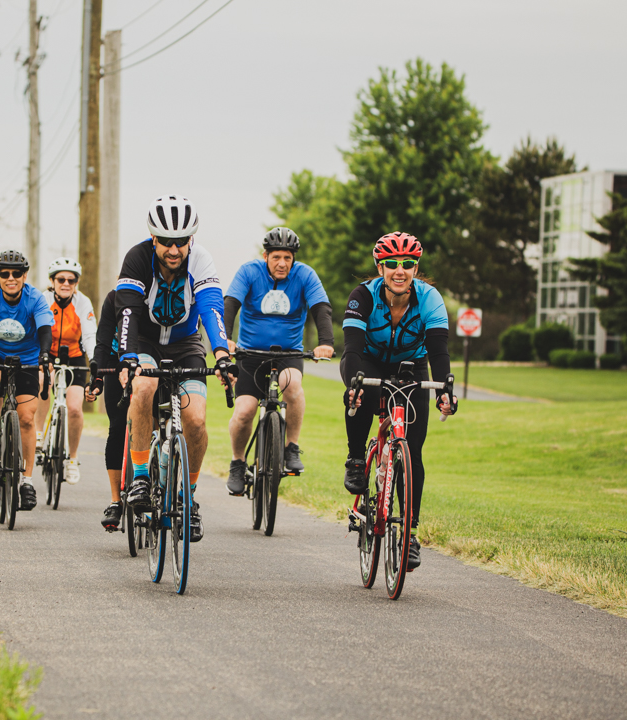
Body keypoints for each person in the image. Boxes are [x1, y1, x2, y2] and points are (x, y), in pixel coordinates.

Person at [116, 195, 235, 543]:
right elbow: (128, 311)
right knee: (144, 389)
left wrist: (222, 353)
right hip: (146, 343)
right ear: (154, 239)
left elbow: (213, 309)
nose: (173, 249)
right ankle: (140, 477)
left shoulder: (201, 260)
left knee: (196, 420)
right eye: (166, 241)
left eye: (180, 241)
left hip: (186, 345)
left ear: (190, 240)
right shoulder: (138, 259)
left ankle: (188, 500)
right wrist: (127, 356)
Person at [341, 232, 458, 570]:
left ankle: (409, 534)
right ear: (380, 267)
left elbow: (439, 352)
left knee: (412, 451)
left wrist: (444, 392)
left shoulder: (430, 298)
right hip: (367, 362)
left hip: (412, 366)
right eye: (391, 264)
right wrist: (353, 383)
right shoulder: (362, 296)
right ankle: (355, 459)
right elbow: (351, 349)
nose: (399, 270)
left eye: (407, 265)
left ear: (415, 268)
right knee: (362, 392)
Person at [222, 227, 335, 495]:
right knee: (244, 411)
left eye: (287, 257)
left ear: (293, 258)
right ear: (265, 256)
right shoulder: (249, 272)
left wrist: (326, 342)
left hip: (288, 354)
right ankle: (238, 463)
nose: (282, 263)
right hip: (251, 355)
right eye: (276, 257)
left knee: (293, 387)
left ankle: (291, 447)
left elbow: (321, 307)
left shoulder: (305, 275)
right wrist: (224, 339)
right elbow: (230, 304)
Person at [0, 250, 55, 511]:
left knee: (27, 418)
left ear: (24, 275)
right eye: (5, 274)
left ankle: (27, 481)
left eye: (16, 273)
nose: (11, 278)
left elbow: (44, 330)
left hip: (26, 358)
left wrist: (44, 355)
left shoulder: (35, 298)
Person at [35, 257, 97, 484]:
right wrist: (39, 356)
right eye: (61, 279)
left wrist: (95, 362)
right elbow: (36, 330)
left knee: (74, 408)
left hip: (75, 356)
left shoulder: (83, 302)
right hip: (48, 352)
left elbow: (90, 335)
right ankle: (39, 436)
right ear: (52, 281)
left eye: (72, 280)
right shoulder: (42, 299)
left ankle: (72, 459)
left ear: (76, 283)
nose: (66, 283)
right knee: (43, 381)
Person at [85, 289, 128, 530]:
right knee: (118, 427)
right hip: (115, 361)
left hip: (148, 362)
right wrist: (97, 379)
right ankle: (115, 501)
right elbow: (102, 343)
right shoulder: (114, 299)